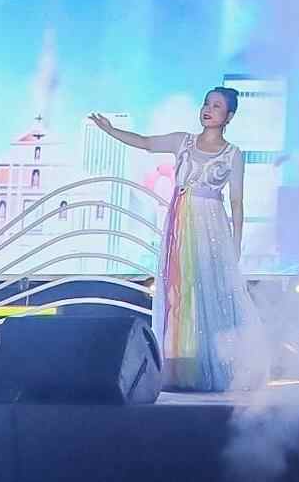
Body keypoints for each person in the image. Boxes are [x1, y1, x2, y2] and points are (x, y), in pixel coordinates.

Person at [91, 87, 269, 392]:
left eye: (216, 106)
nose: (208, 109)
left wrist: (236, 245)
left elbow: (237, 203)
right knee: (180, 295)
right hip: (179, 227)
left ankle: (219, 365)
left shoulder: (232, 154)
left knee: (210, 293)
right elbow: (146, 143)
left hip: (211, 229)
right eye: (206, 103)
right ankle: (180, 368)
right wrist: (110, 131)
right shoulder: (182, 141)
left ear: (229, 116)